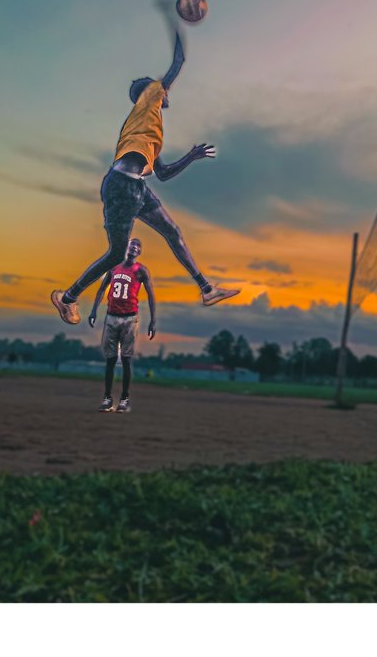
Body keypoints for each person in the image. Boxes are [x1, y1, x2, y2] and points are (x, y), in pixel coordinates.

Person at [50, 29, 239, 325]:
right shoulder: (148, 100)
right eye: (162, 90)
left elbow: (162, 174)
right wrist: (177, 24)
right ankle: (68, 298)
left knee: (173, 232)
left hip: (138, 187)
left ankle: (207, 289)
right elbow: (178, 62)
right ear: (152, 91)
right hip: (122, 185)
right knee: (115, 255)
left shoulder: (148, 132)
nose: (167, 93)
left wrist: (191, 156)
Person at [89, 237, 153, 413]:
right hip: (111, 316)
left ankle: (124, 399)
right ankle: (107, 398)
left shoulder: (141, 270)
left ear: (139, 252)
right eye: (132, 244)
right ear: (126, 248)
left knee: (125, 359)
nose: (134, 247)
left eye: (138, 245)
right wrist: (94, 310)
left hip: (130, 318)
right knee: (110, 359)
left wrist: (153, 321)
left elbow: (151, 295)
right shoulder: (114, 267)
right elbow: (102, 288)